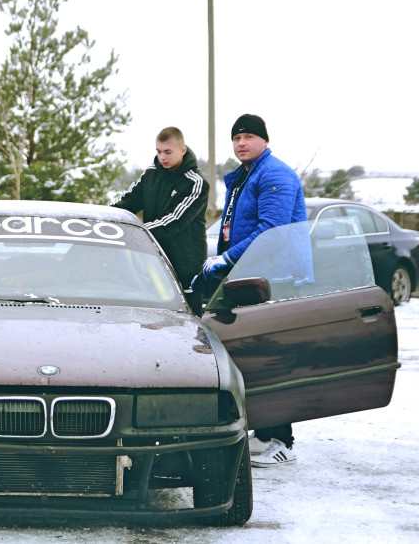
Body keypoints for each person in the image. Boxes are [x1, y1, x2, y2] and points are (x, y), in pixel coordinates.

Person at [197, 113, 307, 468]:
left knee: (271, 357)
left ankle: (282, 440)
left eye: (248, 136)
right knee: (250, 354)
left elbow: (271, 231)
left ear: (263, 140)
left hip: (275, 277)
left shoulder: (274, 174)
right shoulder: (246, 176)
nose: (241, 143)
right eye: (236, 138)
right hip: (250, 276)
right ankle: (263, 432)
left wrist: (226, 257)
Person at [111, 127, 210, 314]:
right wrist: (105, 217)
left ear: (183, 150)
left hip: (185, 266)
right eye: (158, 151)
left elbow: (174, 220)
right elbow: (128, 200)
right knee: (153, 318)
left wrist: (136, 233)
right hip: (153, 259)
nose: (162, 157)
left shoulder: (195, 183)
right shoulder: (151, 174)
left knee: (189, 321)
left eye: (167, 152)